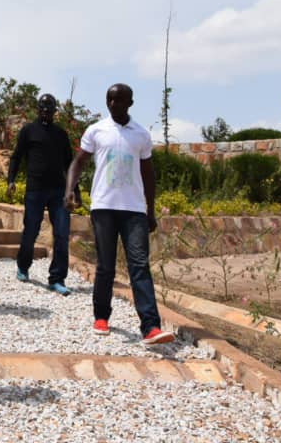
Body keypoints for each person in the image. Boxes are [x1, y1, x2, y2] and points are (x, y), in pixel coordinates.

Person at [64, 83, 174, 346]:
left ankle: (150, 327)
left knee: (139, 265)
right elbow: (78, 162)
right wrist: (69, 190)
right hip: (103, 207)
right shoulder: (96, 130)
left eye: (119, 100)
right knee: (105, 266)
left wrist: (150, 208)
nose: (113, 104)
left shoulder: (141, 135)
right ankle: (101, 316)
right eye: (109, 100)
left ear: (130, 103)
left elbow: (148, 173)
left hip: (134, 209)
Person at [9, 94, 74, 294]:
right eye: (42, 107)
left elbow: (70, 164)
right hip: (35, 190)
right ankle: (23, 265)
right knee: (31, 231)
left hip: (58, 192)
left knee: (62, 235)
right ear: (38, 109)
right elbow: (17, 156)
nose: (45, 111)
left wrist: (74, 192)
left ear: (55, 111)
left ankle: (56, 278)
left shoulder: (61, 134)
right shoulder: (29, 131)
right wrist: (11, 180)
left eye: (49, 108)